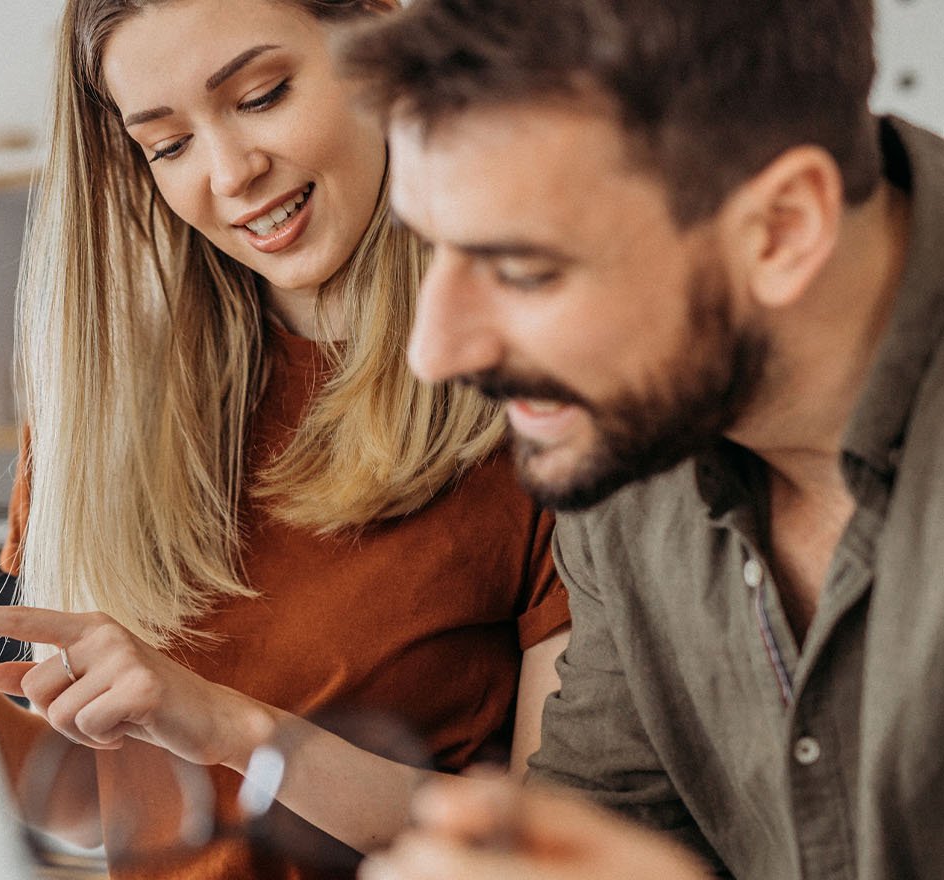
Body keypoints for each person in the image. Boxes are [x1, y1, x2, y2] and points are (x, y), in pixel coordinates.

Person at [0, 0, 571, 877]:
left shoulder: (540, 392)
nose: (230, 173)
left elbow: (556, 846)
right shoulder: (105, 411)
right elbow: (110, 807)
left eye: (263, 94)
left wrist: (236, 730)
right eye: (167, 146)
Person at [341, 0, 944, 878]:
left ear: (781, 229)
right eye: (433, 248)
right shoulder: (630, 429)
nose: (434, 352)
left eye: (523, 270)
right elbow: (603, 815)